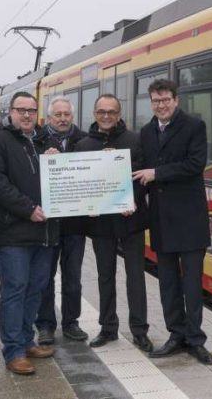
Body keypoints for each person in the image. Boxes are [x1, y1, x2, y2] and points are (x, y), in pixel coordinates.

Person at [132, 79, 212, 365]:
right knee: (167, 283)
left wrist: (157, 173)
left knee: (191, 283)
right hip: (161, 219)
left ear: (176, 100)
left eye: (165, 99)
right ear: (151, 102)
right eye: (156, 101)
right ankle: (175, 335)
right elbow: (141, 172)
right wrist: (129, 200)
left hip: (190, 220)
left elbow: (195, 164)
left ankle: (196, 340)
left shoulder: (195, 126)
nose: (161, 105)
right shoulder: (146, 132)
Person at [0, 91, 59, 375]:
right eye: (20, 110)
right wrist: (28, 209)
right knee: (14, 290)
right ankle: (13, 351)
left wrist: (57, 157)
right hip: (12, 232)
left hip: (44, 232)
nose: (26, 115)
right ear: (9, 112)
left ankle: (26, 341)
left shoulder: (45, 141)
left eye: (31, 110)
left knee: (36, 289)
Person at [74, 94, 152, 352]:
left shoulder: (135, 140)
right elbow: (81, 182)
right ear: (94, 114)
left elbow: (142, 175)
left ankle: (140, 331)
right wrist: (88, 206)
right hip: (100, 223)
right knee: (105, 275)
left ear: (119, 114)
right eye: (101, 111)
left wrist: (134, 201)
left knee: (135, 277)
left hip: (131, 219)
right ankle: (108, 328)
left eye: (111, 111)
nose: (106, 116)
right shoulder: (83, 145)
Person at [35, 96, 90, 344]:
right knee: (45, 277)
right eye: (57, 114)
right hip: (46, 224)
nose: (62, 118)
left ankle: (71, 322)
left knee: (73, 277)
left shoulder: (86, 140)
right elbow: (27, 175)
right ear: (49, 117)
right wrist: (42, 160)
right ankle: (45, 325)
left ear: (72, 116)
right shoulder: (35, 141)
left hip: (75, 224)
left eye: (66, 114)